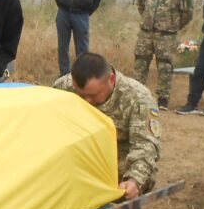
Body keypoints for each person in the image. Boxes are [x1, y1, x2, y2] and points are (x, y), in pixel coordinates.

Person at [53, 52, 161, 200]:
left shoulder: (138, 98)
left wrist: (134, 180)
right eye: (81, 95)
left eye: (93, 95)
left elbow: (145, 146)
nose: (88, 101)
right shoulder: (63, 87)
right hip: (79, 157)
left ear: (111, 79)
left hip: (116, 164)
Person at [133, 0, 194, 110]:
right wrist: (148, 20)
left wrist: (172, 25)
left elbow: (188, 14)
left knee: (165, 67)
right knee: (140, 64)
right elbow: (141, 5)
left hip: (167, 35)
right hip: (146, 34)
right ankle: (138, 94)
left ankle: (163, 99)